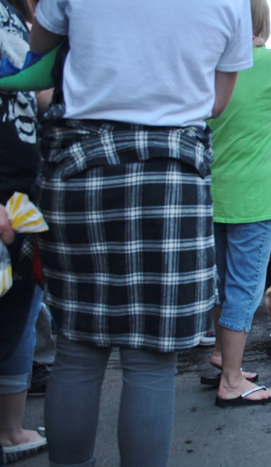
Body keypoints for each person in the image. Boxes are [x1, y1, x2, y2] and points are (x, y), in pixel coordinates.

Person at [30, 0, 252, 464]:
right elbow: (215, 102)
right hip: (171, 177)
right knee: (151, 361)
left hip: (80, 166)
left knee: (77, 348)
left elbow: (36, 54)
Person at [206, 0, 271, 408]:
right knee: (244, 287)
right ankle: (230, 380)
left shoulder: (205, 61)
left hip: (212, 189)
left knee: (222, 284)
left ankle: (222, 357)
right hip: (256, 194)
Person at [0, 1, 47, 461]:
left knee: (20, 320)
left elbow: (41, 95)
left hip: (22, 205)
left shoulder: (20, 23)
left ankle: (10, 431)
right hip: (6, 204)